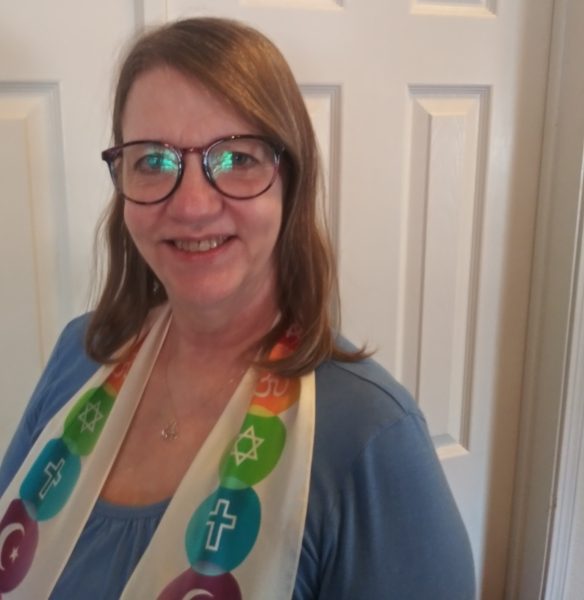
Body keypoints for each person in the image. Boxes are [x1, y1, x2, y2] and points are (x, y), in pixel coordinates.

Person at [0, 17, 475, 600]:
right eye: (152, 161)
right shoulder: (81, 353)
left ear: (290, 181)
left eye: (237, 159)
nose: (194, 206)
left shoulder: (372, 437)